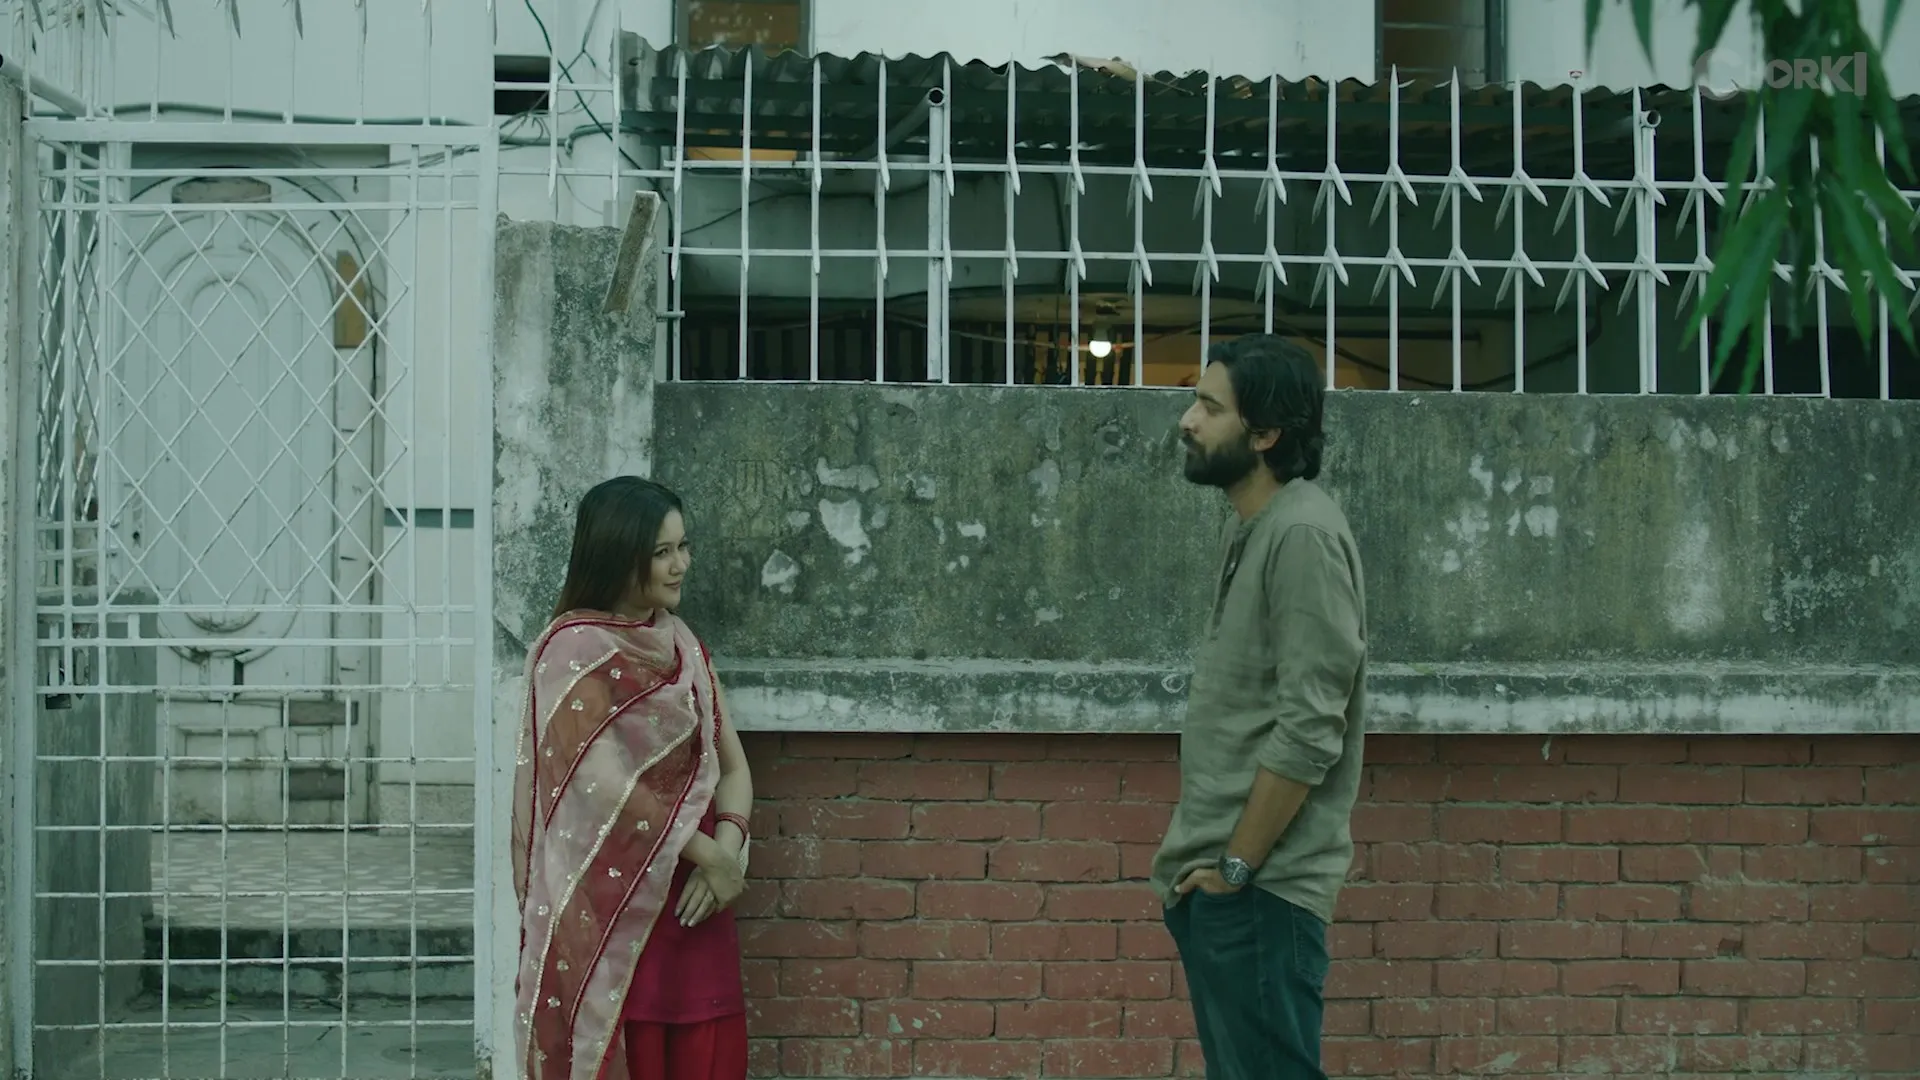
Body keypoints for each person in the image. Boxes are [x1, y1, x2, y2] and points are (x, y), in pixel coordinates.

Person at [1149, 335, 1368, 1080]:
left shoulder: (1302, 534)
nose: (1187, 420)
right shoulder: (1256, 526)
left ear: (1266, 433)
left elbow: (1310, 728)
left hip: (1261, 890)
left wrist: (1236, 868)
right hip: (1230, 889)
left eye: (1210, 407)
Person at [510, 476, 756, 1080]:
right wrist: (710, 856)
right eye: (661, 552)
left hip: (696, 902)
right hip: (616, 918)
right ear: (620, 555)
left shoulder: (684, 646)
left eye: (683, 546)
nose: (681, 565)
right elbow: (605, 792)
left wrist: (727, 854)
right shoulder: (573, 654)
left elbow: (733, 767)